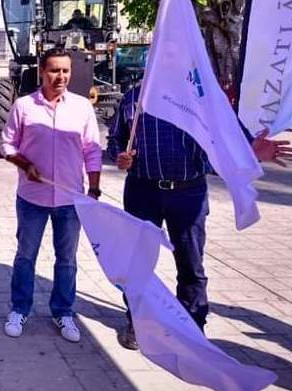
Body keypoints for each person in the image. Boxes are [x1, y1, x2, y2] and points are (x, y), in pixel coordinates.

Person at [108, 84, 292, 349]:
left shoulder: (204, 99)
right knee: (137, 264)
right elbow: (115, 141)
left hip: (187, 194)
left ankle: (193, 327)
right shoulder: (134, 97)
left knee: (190, 263)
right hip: (142, 192)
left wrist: (251, 151)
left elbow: (232, 140)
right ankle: (138, 322)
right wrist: (119, 157)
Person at [0, 48, 102, 343]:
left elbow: (92, 150)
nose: (60, 77)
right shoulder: (23, 106)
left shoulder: (82, 107)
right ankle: (19, 309)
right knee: (25, 256)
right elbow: (7, 145)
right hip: (32, 197)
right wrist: (25, 164)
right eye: (54, 71)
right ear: (42, 72)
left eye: (65, 71)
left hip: (70, 200)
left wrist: (93, 188)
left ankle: (64, 312)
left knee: (67, 259)